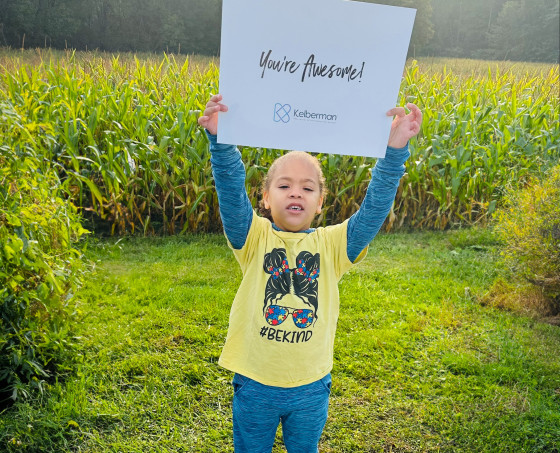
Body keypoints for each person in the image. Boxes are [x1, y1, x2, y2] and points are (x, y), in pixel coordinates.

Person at [198, 94, 422, 453]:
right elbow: (229, 191)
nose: (295, 193)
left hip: (311, 386)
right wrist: (221, 143)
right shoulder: (253, 236)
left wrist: (394, 152)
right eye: (284, 185)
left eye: (307, 187)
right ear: (266, 198)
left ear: (320, 202)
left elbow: (374, 208)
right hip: (255, 385)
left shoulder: (335, 245)